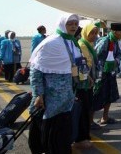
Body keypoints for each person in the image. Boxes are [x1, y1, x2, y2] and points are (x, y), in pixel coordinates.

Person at [28, 13, 80, 154]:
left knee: (62, 135)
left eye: (76, 23)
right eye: (70, 24)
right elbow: (35, 70)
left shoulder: (71, 42)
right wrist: (38, 94)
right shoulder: (51, 43)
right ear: (62, 24)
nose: (74, 26)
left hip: (66, 99)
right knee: (49, 133)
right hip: (50, 100)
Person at [93, 23, 121, 124]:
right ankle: (90, 121)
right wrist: (105, 64)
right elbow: (95, 55)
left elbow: (119, 54)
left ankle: (105, 117)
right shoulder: (105, 41)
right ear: (114, 32)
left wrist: (115, 61)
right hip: (102, 73)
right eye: (120, 32)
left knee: (109, 95)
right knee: (97, 96)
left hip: (110, 72)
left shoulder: (116, 42)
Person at [75, 23, 99, 148]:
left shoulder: (90, 45)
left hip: (88, 83)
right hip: (82, 84)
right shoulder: (81, 45)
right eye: (92, 33)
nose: (94, 36)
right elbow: (80, 63)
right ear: (85, 33)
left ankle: (85, 135)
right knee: (83, 110)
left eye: (96, 33)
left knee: (87, 108)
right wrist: (87, 75)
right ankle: (81, 138)